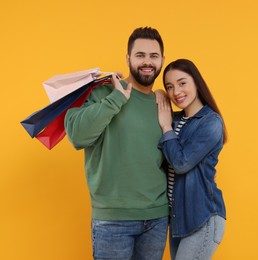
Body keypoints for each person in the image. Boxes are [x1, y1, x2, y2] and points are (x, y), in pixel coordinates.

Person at [64, 27, 169, 260]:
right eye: (140, 55)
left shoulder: (163, 103)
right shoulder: (103, 93)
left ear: (162, 60)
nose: (147, 62)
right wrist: (117, 98)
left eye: (153, 56)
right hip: (113, 221)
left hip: (157, 218)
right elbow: (77, 136)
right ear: (128, 58)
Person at [157, 59, 227, 260]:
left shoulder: (211, 122)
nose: (176, 92)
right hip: (179, 218)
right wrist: (158, 95)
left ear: (196, 82)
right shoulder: (176, 119)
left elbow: (181, 163)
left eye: (182, 83)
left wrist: (166, 128)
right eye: (169, 87)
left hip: (202, 218)